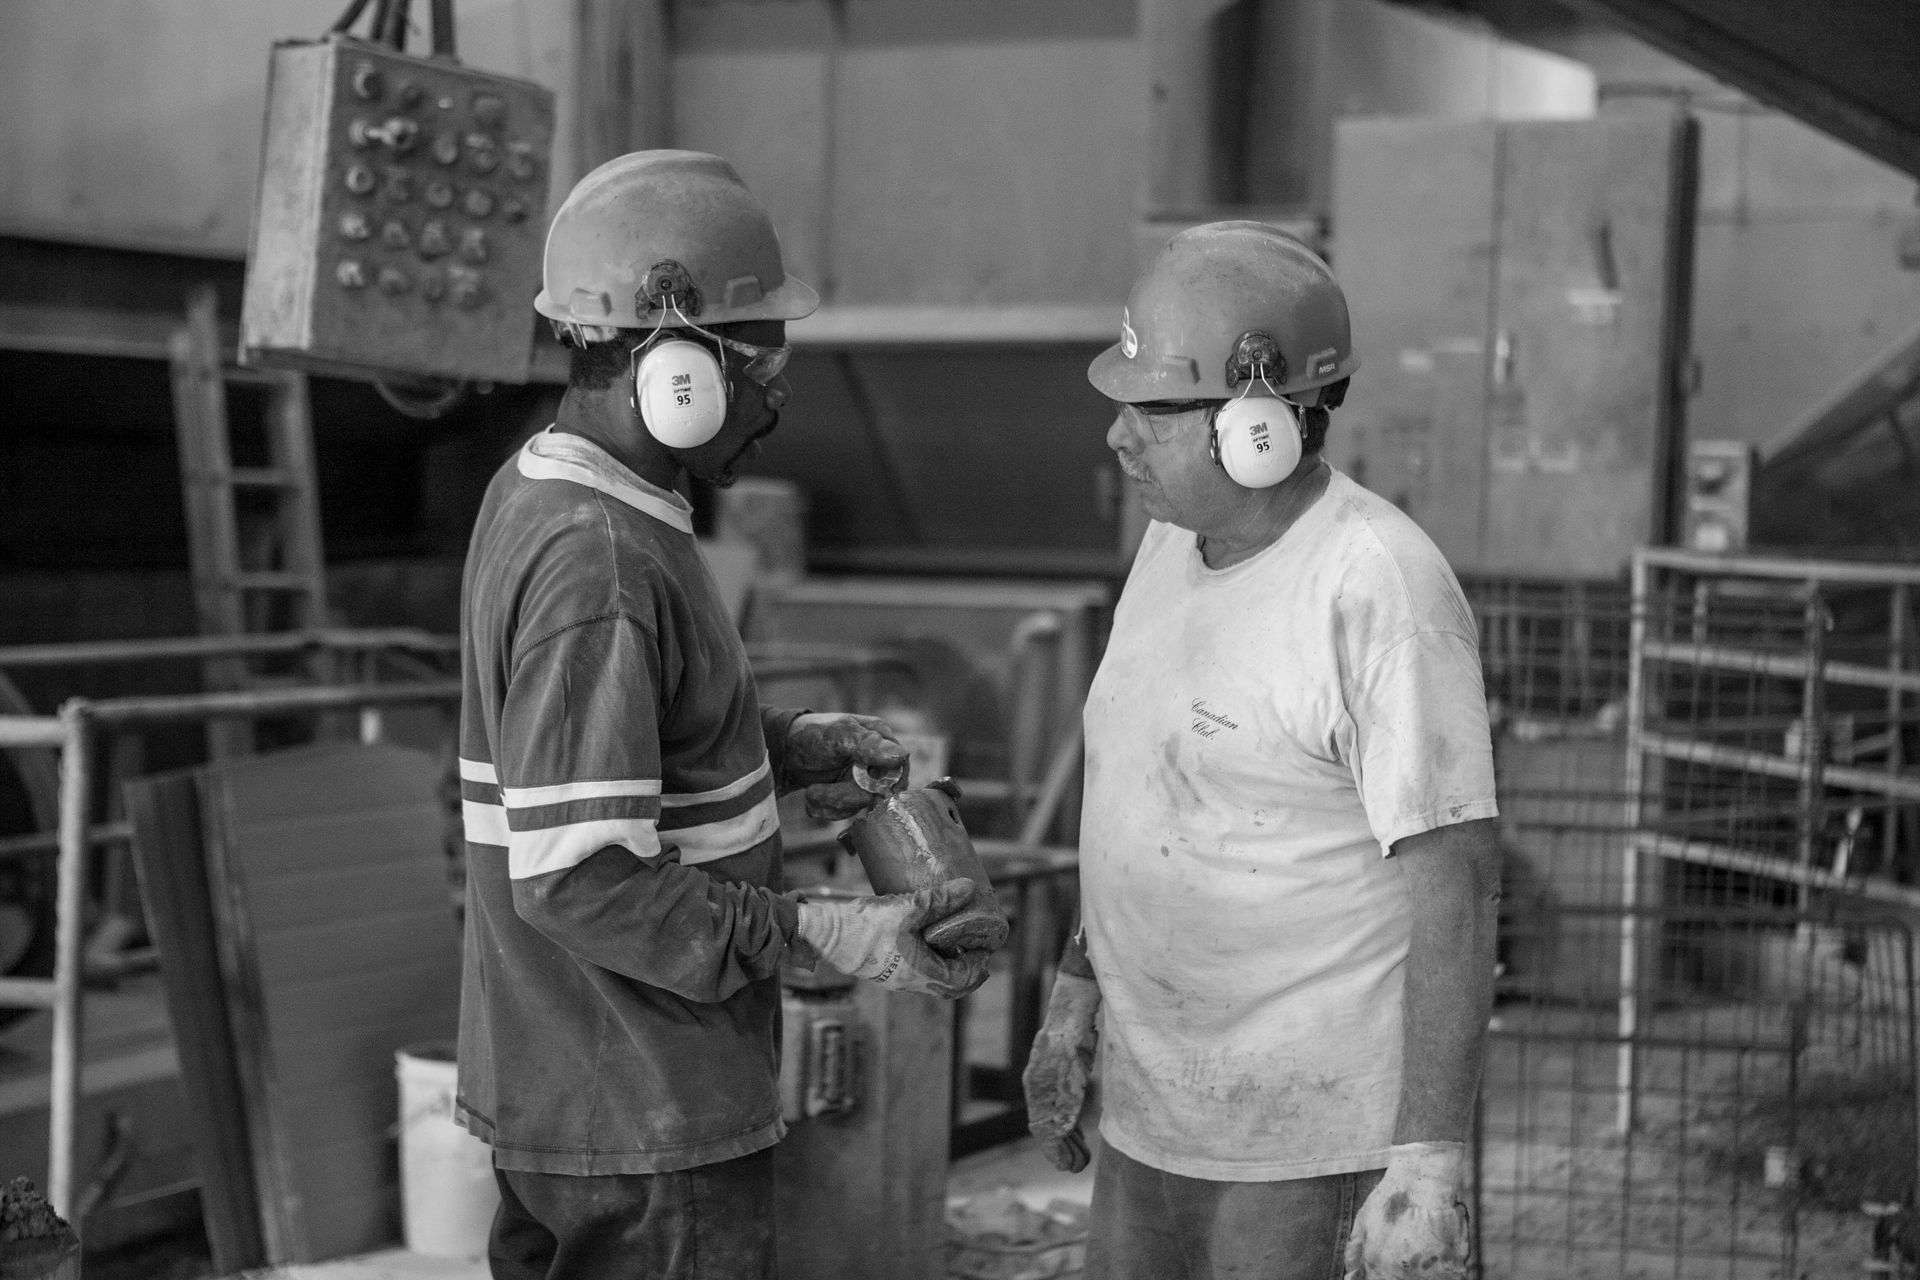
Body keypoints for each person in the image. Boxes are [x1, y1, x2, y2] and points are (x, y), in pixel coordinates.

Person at [455, 150, 991, 1280]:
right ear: (675, 366)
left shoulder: (559, 493)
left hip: (576, 1086)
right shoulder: (597, 560)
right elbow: (581, 878)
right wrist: (828, 932)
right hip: (641, 1114)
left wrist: (784, 749)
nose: (779, 395)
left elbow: (615, 746)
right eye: (761, 362)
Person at [1023, 221, 1501, 1280]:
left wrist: (1426, 1165)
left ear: (1259, 426)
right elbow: (1142, 802)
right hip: (1150, 1127)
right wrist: (1074, 995)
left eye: (1153, 410)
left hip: (1308, 1152)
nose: (1117, 437)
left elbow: (1459, 888)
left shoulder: (1377, 587)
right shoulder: (1165, 550)